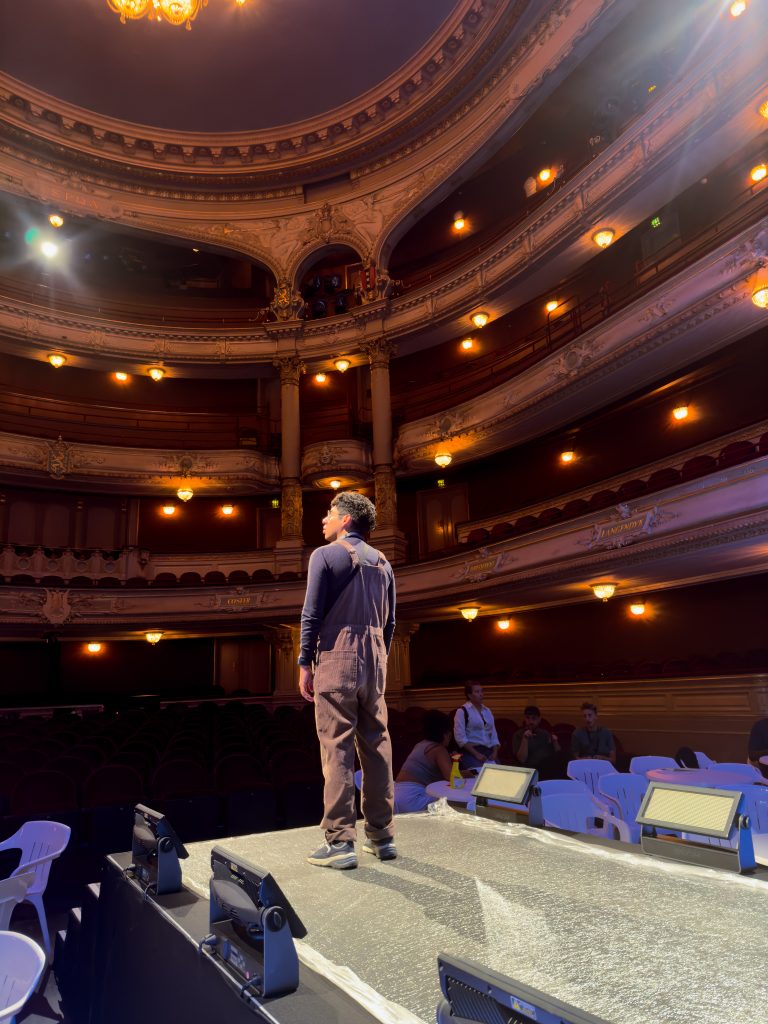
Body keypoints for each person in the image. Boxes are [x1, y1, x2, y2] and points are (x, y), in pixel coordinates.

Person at [298, 491, 396, 870]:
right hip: (376, 657)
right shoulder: (384, 563)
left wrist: (305, 662)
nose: (324, 519)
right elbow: (390, 623)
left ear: (346, 520)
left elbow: (311, 614)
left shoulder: (324, 555)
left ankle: (340, 841)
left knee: (337, 746)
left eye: (330, 513)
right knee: (377, 745)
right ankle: (382, 836)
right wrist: (378, 657)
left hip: (337, 655)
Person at [394, 710, 458, 813]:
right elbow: (453, 777)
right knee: (455, 805)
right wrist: (469, 774)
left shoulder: (420, 744)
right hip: (413, 798)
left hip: (396, 795)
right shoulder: (439, 749)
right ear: (446, 733)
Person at [454, 682, 500, 770]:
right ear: (469, 695)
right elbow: (460, 738)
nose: (481, 694)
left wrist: (495, 752)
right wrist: (476, 754)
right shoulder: (462, 711)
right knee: (479, 774)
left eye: (482, 691)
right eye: (477, 692)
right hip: (471, 751)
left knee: (500, 773)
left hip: (489, 750)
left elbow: (493, 733)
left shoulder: (487, 710)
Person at [512, 705, 561, 777]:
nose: (530, 721)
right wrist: (525, 739)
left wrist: (555, 742)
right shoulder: (518, 735)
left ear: (539, 719)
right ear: (524, 719)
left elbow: (558, 753)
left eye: (534, 718)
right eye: (528, 718)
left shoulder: (545, 733)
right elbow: (522, 759)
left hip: (547, 769)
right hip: (529, 770)